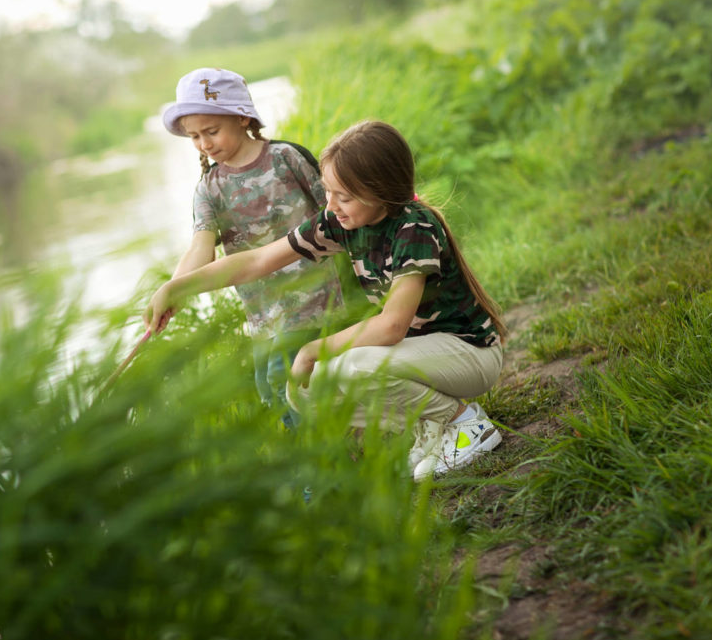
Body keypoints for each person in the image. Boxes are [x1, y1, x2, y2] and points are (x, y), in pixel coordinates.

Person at [145, 120, 507, 479]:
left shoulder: (414, 228)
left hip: (470, 355)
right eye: (328, 192)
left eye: (343, 196)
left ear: (379, 190)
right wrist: (175, 289)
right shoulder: (339, 222)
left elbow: (393, 325)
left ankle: (466, 424)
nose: (330, 205)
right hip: (426, 356)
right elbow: (257, 261)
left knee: (354, 366)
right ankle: (433, 429)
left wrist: (312, 349)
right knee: (307, 389)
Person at [159, 67, 347, 428]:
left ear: (242, 116)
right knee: (269, 390)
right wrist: (173, 290)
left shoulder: (286, 159)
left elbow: (338, 211)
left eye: (211, 131)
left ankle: (321, 469)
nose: (204, 144)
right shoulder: (208, 189)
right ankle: (331, 455)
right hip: (263, 315)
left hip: (314, 298)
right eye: (195, 136)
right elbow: (201, 248)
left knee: (286, 382)